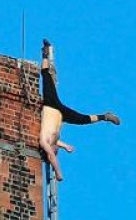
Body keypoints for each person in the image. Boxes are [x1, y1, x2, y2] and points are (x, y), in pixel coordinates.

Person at [39, 39, 120, 181]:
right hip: (62, 114)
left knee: (46, 78)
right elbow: (57, 145)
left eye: (55, 153)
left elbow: (51, 156)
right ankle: (105, 117)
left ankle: (45, 54)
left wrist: (58, 173)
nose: (56, 153)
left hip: (51, 106)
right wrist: (66, 147)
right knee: (82, 119)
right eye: (57, 152)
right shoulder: (51, 141)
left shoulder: (46, 142)